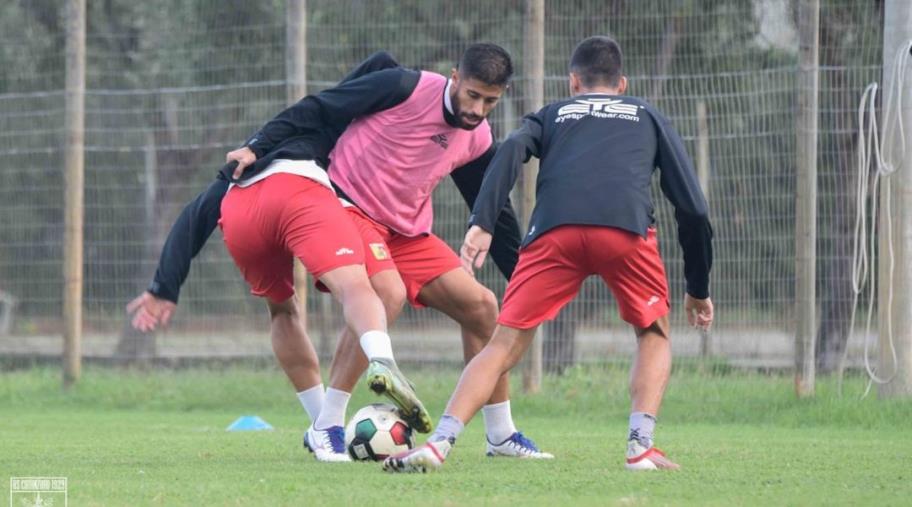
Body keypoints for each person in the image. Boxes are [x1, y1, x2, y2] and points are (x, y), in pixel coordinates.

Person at [129, 45, 551, 460]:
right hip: (349, 208)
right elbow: (320, 107)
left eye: (490, 101)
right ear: (455, 78)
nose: (477, 109)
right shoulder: (402, 87)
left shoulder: (477, 136)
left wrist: (523, 276)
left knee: (482, 307)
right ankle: (327, 423)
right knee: (385, 294)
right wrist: (257, 145)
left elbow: (495, 210)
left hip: (406, 231)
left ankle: (500, 434)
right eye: (472, 95)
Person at [383, 36, 714, 473]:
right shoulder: (646, 114)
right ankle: (640, 447)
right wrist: (697, 288)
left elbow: (509, 151)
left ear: (573, 81)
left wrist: (482, 221)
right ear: (622, 84)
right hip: (625, 230)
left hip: (554, 233)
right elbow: (693, 209)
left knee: (502, 344)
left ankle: (439, 443)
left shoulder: (553, 113)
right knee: (653, 332)